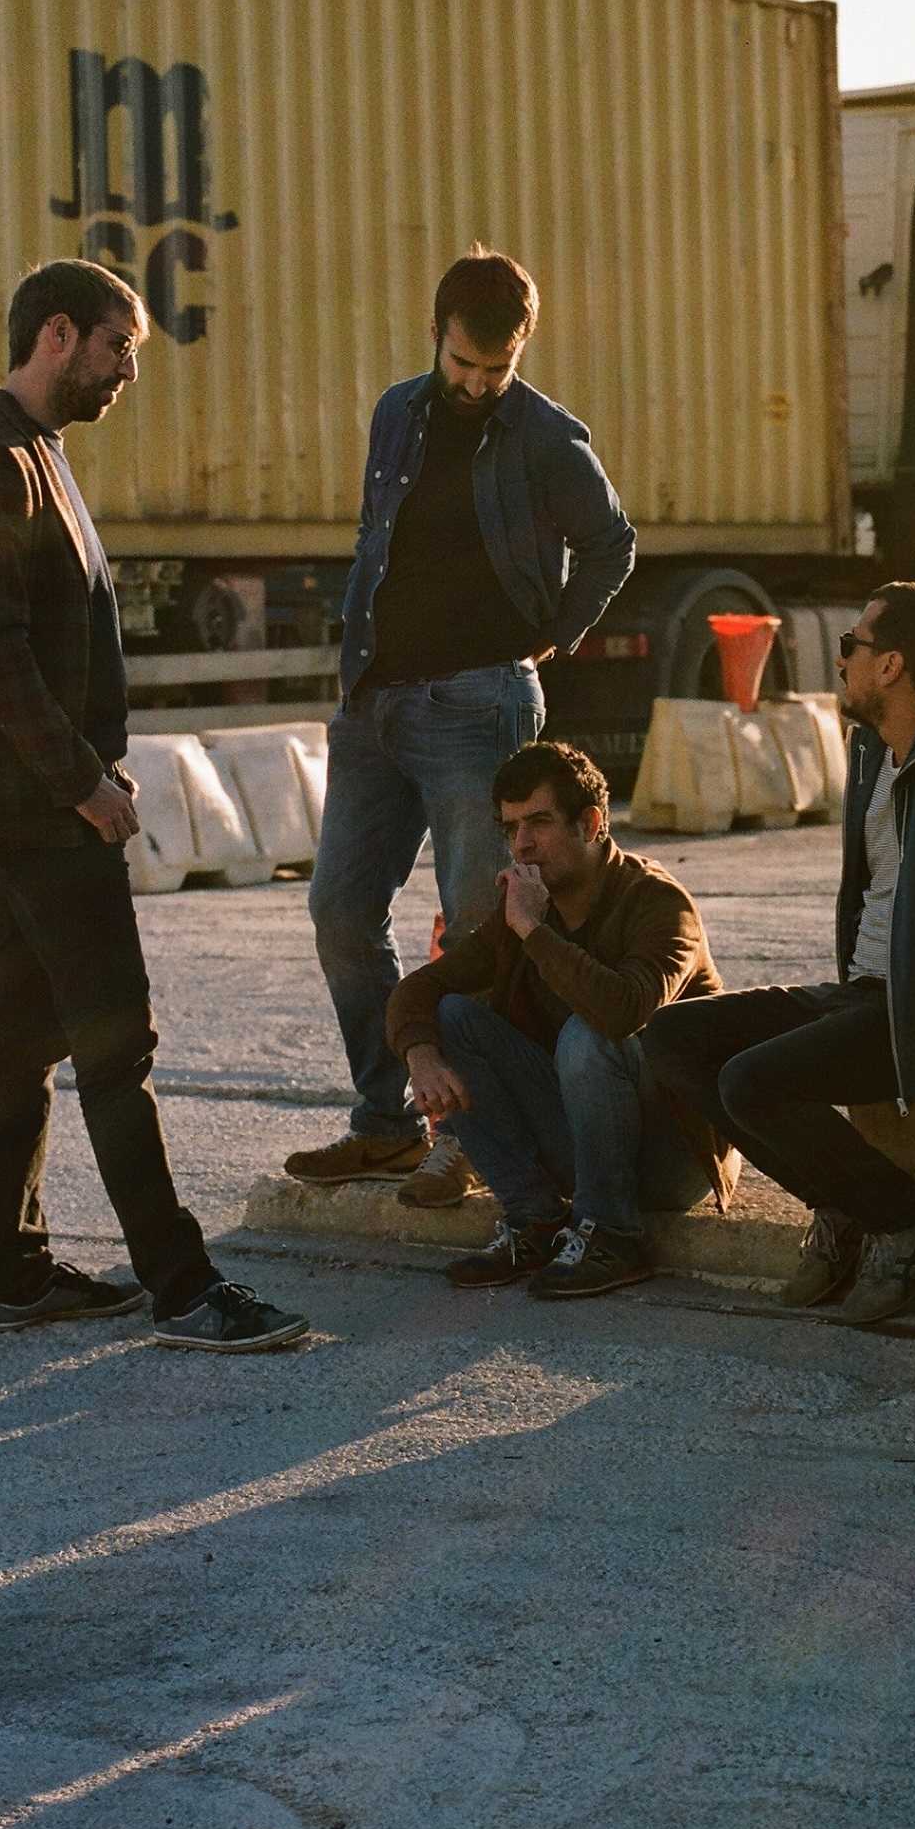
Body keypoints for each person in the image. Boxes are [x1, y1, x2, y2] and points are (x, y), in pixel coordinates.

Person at [0, 257, 308, 1354]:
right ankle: (183, 1288)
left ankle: (13, 1275)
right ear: (56, 335)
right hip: (44, 807)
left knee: (24, 1037)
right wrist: (82, 784)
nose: (128, 373)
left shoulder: (38, 452)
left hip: (48, 798)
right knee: (115, 1039)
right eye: (117, 349)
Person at [283, 247, 638, 1209]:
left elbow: (612, 541)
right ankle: (387, 1122)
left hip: (480, 702)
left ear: (520, 350)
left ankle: (473, 1138)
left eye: (498, 368)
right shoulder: (397, 411)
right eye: (464, 364)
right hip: (377, 702)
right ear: (436, 334)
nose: (479, 385)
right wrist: (357, 674)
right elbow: (376, 537)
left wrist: (555, 634)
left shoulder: (549, 437)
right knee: (339, 911)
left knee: (479, 929)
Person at [640, 582, 915, 1325]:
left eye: (850, 645)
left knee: (751, 1081)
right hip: (866, 991)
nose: (840, 661)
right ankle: (842, 1207)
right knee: (672, 1038)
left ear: (891, 665)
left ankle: (906, 1220)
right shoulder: (873, 746)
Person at [384, 738, 736, 1299]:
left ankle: (614, 1236)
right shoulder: (530, 904)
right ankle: (536, 1220)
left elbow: (622, 1010)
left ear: (590, 823)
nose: (522, 845)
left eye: (539, 823)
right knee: (451, 1016)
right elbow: (418, 991)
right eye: (511, 828)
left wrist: (531, 931)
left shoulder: (659, 903)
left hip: (673, 1156)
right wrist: (420, 1055)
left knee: (589, 1030)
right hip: (588, 1140)